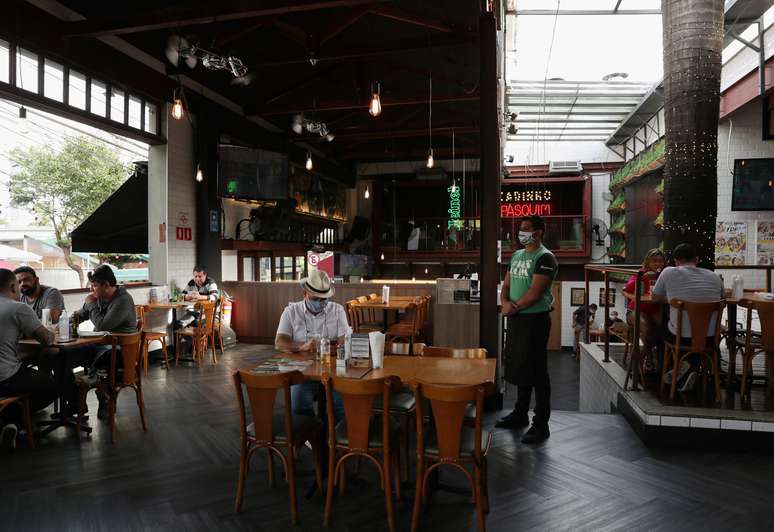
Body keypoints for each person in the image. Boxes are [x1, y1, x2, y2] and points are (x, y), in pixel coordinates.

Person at [496, 215, 558, 444]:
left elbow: (534, 293)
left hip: (535, 319)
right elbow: (506, 284)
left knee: (538, 372)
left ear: (539, 232)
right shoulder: (517, 255)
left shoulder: (545, 258)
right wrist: (504, 301)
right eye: (520, 229)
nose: (521, 233)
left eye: (526, 229)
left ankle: (541, 425)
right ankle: (520, 414)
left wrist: (513, 308)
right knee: (521, 366)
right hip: (516, 317)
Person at [58, 265, 137, 418]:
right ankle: (76, 403)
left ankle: (104, 398)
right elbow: (80, 315)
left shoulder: (123, 300)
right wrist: (62, 324)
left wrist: (91, 304)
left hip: (119, 354)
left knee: (98, 357)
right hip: (100, 348)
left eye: (94, 286)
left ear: (106, 285)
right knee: (61, 357)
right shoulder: (99, 298)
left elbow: (102, 325)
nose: (91, 290)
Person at [275, 270, 347, 418]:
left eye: (324, 299)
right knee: (298, 405)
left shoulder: (338, 310)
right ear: (305, 294)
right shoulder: (291, 312)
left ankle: (334, 437)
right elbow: (280, 342)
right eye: (316, 299)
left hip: (333, 372)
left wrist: (324, 348)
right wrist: (302, 346)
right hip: (303, 374)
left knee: (341, 405)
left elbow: (344, 343)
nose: (321, 303)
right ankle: (312, 435)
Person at [651, 243, 724, 390]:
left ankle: (681, 368)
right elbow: (722, 299)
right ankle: (691, 367)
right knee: (696, 336)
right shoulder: (715, 277)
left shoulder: (668, 272)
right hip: (710, 339)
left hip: (680, 337)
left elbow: (655, 298)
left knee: (662, 329)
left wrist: (675, 301)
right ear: (697, 260)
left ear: (676, 261)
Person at [0, 268, 56, 452]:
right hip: (5, 378)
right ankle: (14, 421)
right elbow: (47, 339)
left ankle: (9, 422)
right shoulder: (18, 308)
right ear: (12, 286)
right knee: (52, 385)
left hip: (8, 372)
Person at [622, 248, 665, 372]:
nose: (658, 264)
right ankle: (649, 357)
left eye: (661, 261)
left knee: (664, 327)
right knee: (646, 327)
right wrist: (643, 278)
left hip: (655, 308)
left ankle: (642, 356)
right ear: (648, 262)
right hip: (636, 309)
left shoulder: (665, 275)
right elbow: (626, 290)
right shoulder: (640, 273)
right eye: (654, 261)